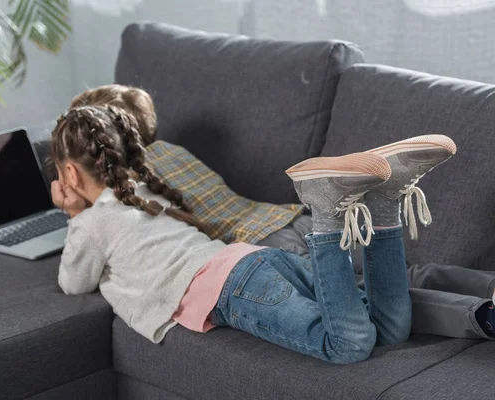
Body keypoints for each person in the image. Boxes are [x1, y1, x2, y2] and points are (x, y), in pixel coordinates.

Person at [68, 85, 495, 341]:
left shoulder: (129, 184)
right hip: (292, 216)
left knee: (370, 300)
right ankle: (487, 284)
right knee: (404, 273)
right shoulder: (175, 152)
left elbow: (116, 231)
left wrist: (75, 204)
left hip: (264, 244)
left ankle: (480, 317)